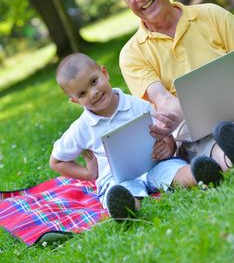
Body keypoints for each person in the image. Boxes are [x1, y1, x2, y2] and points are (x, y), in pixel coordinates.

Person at [49, 53, 222, 222]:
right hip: (117, 178)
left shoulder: (136, 105)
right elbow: (56, 162)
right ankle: (127, 208)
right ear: (74, 101)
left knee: (174, 170)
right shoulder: (81, 129)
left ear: (104, 73)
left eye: (94, 82)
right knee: (120, 192)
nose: (93, 93)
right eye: (82, 94)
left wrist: (167, 144)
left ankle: (199, 174)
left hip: (154, 164)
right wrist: (88, 174)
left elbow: (163, 132)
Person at [108, 0, 234, 175]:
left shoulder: (212, 15)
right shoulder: (131, 54)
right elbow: (163, 100)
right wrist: (177, 113)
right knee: (212, 146)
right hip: (197, 132)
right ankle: (228, 156)